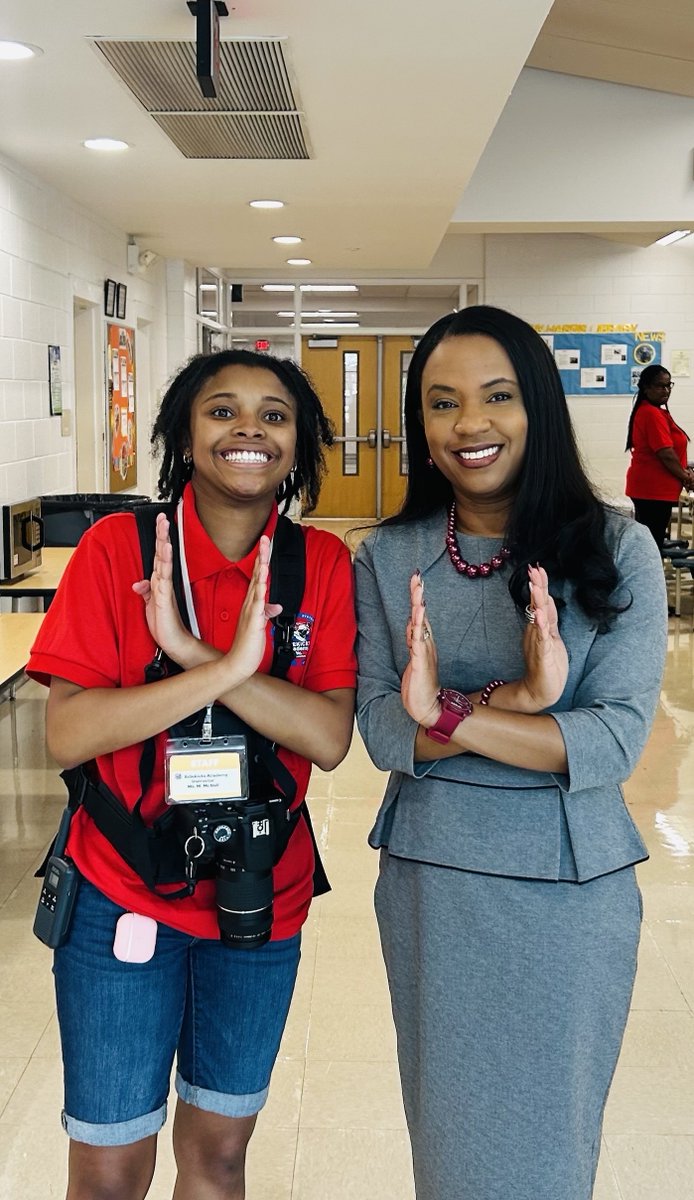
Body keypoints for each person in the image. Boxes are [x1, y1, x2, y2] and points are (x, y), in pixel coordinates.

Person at [353, 306, 667, 1200]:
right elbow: (379, 728)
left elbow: (611, 741)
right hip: (433, 884)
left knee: (551, 1147)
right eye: (442, 402)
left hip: (570, 893)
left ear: (538, 405)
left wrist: (448, 718)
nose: (470, 425)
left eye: (497, 396)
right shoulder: (389, 556)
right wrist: (521, 710)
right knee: (451, 1150)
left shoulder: (617, 549)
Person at [27, 348, 356, 1200]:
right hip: (119, 895)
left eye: (274, 415)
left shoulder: (318, 564)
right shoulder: (117, 549)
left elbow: (326, 735)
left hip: (259, 901)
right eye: (222, 410)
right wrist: (214, 674)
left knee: (217, 1160)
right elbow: (69, 731)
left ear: (299, 445)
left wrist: (190, 651)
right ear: (182, 432)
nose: (249, 428)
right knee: (109, 1166)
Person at [625, 363, 694, 550]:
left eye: (668, 385)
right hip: (652, 490)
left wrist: (684, 472)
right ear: (646, 388)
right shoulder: (651, 413)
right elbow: (665, 453)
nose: (665, 390)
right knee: (651, 548)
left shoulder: (657, 412)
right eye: (660, 386)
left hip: (653, 490)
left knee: (651, 544)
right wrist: (686, 476)